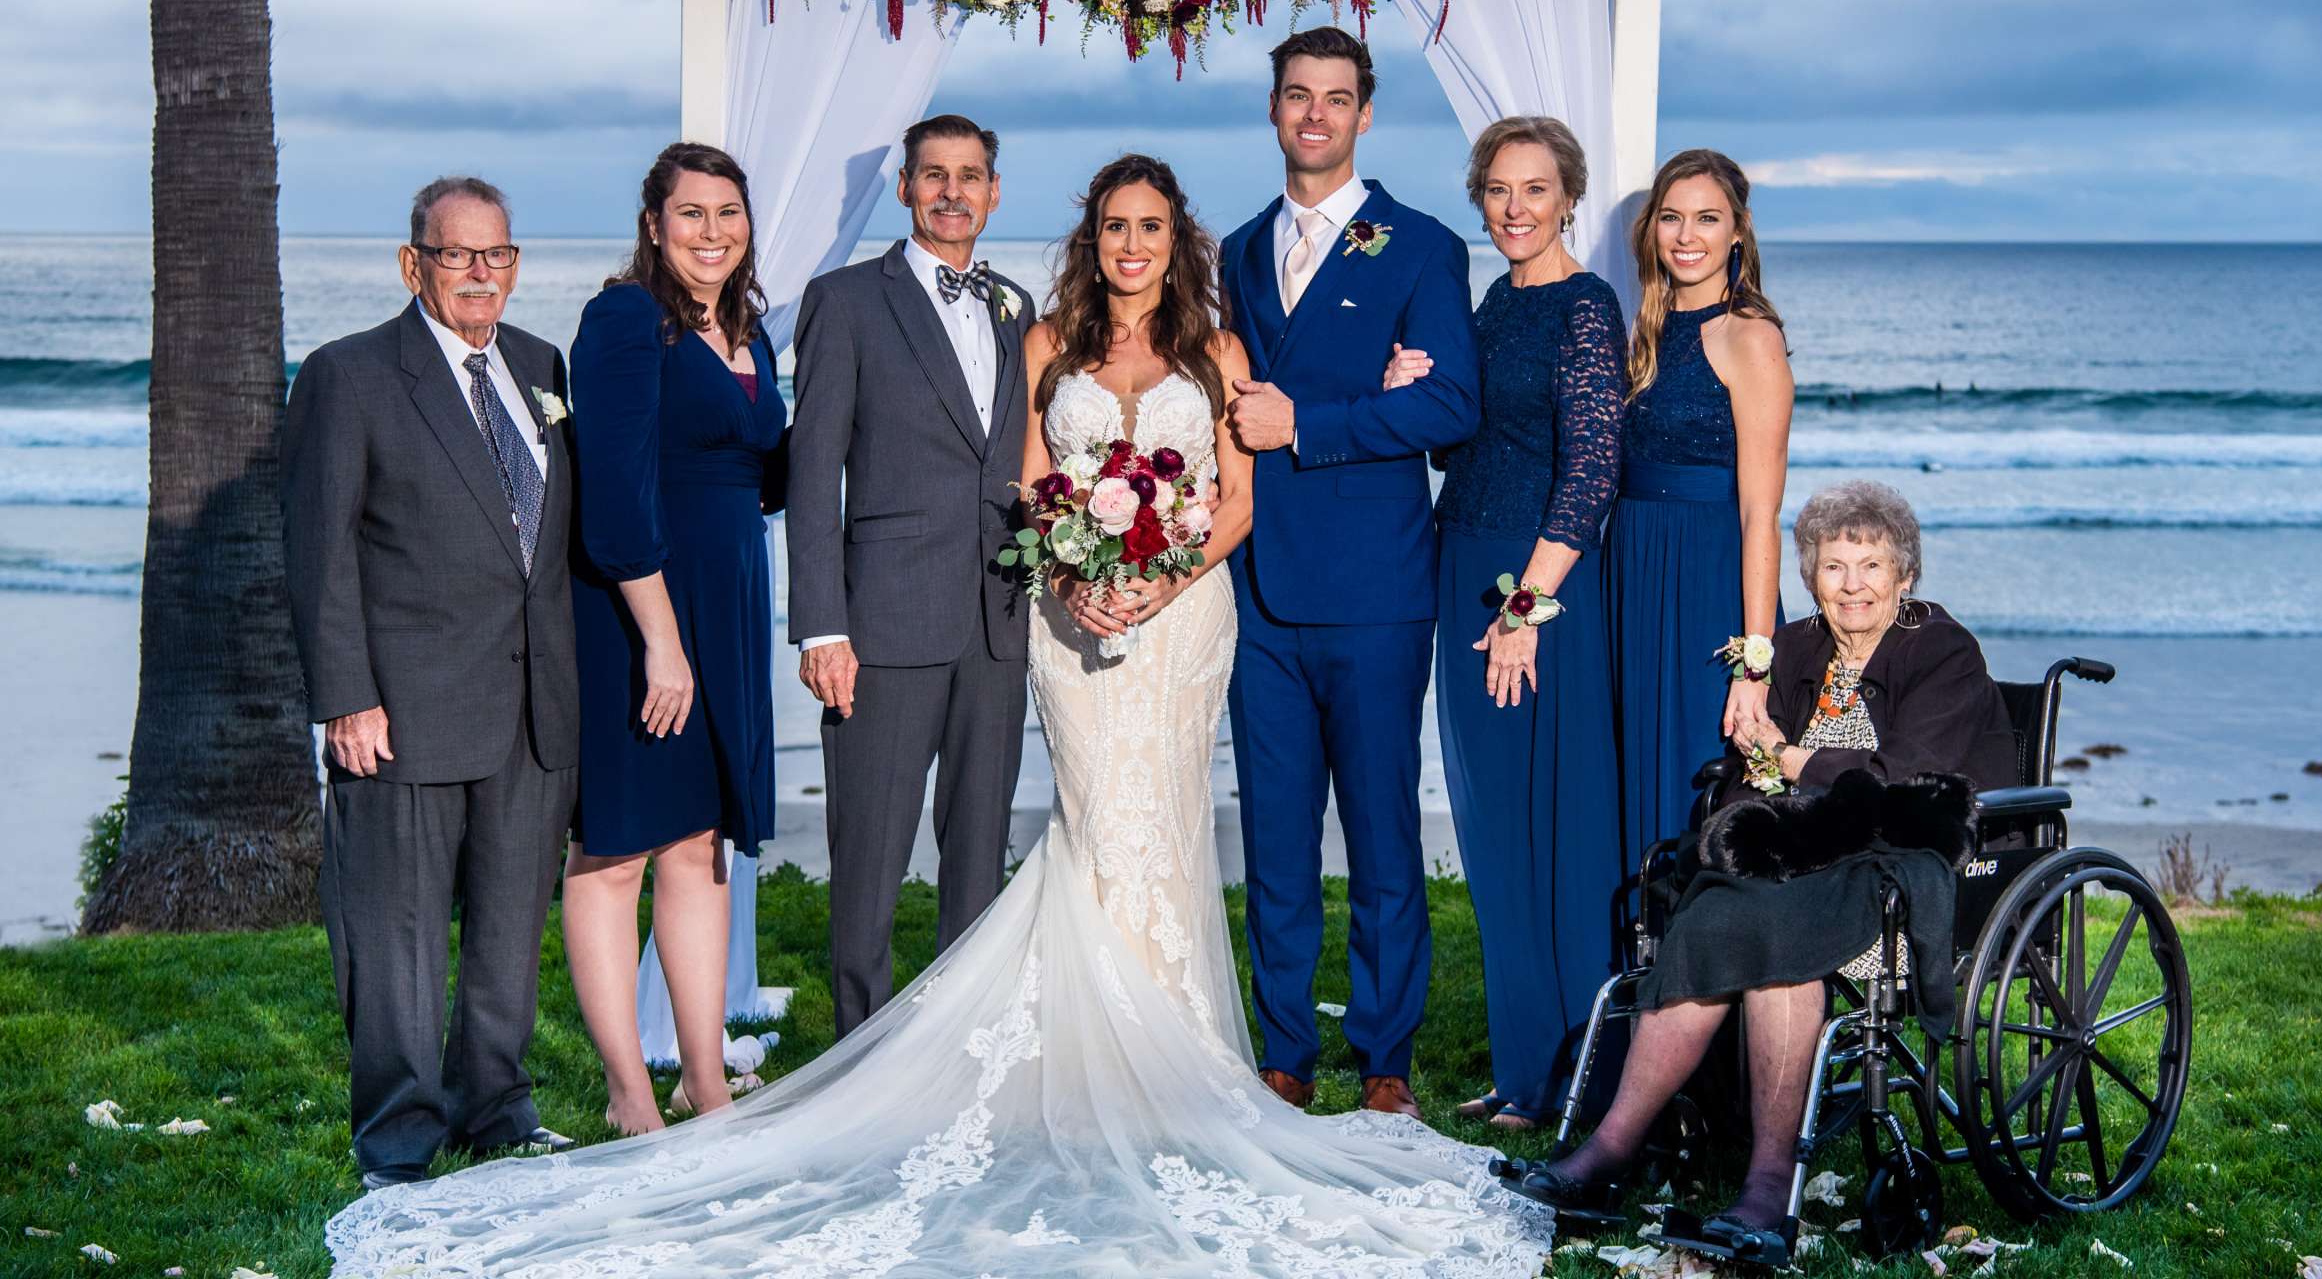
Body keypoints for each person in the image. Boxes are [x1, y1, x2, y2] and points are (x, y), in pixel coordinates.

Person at [322, 156, 1553, 1278]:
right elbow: (983, 477)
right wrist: (1055, 573)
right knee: (1033, 830)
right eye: (1115, 225)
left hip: (1166, 625)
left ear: (1175, 241)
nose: (1132, 244)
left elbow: (1234, 496)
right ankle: (900, 1061)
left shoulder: (1202, 346)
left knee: (1152, 828)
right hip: (1041, 619)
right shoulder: (1030, 335)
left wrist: (1161, 575)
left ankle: (1174, 1052)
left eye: (1152, 228)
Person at [1501, 481, 2013, 1267]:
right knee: (1712, 912)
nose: (1853, 585)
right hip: (1798, 852)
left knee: (1778, 936)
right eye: (1834, 567)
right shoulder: (1801, 647)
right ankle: (1607, 1154)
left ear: (1905, 574)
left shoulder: (1942, 650)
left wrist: (1794, 759)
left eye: (1871, 565)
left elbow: (1907, 783)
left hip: (1895, 858)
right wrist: (1760, 797)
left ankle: (1771, 1192)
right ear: (1811, 576)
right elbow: (1751, 772)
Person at [283, 176, 577, 1190]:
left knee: (508, 922)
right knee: (396, 933)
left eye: (497, 254)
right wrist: (343, 697)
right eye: (458, 255)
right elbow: (317, 553)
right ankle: (400, 1135)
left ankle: (495, 1105)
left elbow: (544, 545)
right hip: (401, 708)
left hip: (532, 709)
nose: (481, 274)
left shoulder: (543, 366)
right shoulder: (350, 376)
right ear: (414, 264)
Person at [1218, 26, 1481, 1119]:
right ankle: (1284, 1049)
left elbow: (1449, 405)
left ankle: (1383, 1058)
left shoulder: (1418, 247)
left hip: (1377, 592)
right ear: (1274, 111)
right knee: (1274, 836)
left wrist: (1312, 422)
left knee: (1380, 836)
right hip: (1257, 596)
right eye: (1297, 96)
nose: (1315, 114)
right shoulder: (1234, 250)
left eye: (1336, 97)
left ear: (1365, 114)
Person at [1384, 116, 1627, 1131]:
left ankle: (1580, 1070)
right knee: (1491, 830)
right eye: (1498, 190)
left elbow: (1591, 471)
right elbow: (1472, 451)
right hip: (1463, 568)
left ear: (1568, 197)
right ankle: (1524, 1066)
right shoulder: (1489, 303)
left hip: (1537, 592)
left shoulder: (1585, 308)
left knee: (1553, 826)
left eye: (1535, 190)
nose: (1515, 209)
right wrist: (1413, 389)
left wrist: (1527, 606)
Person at [785, 114, 1033, 1037]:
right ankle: (863, 1046)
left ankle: (955, 1042)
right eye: (934, 175)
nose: (953, 192)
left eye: (971, 175)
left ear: (994, 190)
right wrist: (821, 625)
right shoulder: (846, 301)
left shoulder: (1017, 305)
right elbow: (813, 474)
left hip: (999, 620)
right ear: (905, 187)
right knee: (871, 855)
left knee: (977, 849)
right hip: (882, 625)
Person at [563, 142, 788, 1134]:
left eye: (728, 212)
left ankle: (704, 1079)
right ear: (654, 223)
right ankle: (626, 1089)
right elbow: (612, 493)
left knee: (698, 847)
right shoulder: (623, 321)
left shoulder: (753, 333)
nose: (712, 232)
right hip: (641, 611)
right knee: (618, 849)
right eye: (691, 213)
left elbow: (763, 475)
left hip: (729, 607)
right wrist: (662, 638)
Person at [1603, 149, 1792, 888]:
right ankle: (1642, 978)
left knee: (1697, 782)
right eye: (1672, 217)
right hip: (1634, 575)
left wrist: (1755, 662)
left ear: (1738, 232)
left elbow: (1761, 513)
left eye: (1707, 218)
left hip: (1708, 581)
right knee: (1633, 774)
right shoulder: (1642, 332)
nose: (1688, 235)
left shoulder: (1751, 336)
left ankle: (1711, 982)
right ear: (1652, 230)